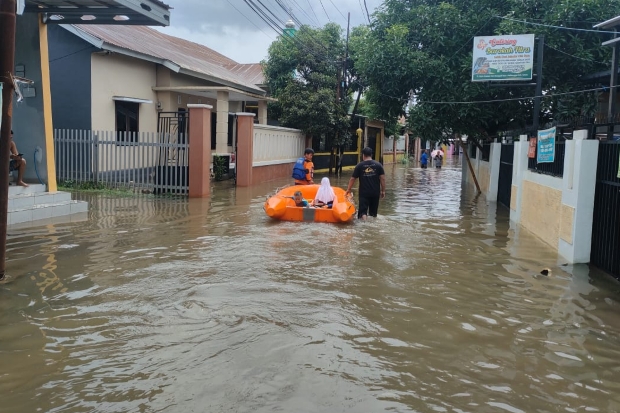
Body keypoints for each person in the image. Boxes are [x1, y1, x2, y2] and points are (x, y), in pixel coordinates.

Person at [345, 147, 385, 220]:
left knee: (363, 211)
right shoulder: (378, 165)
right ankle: (372, 228)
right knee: (373, 213)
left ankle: (364, 223)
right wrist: (383, 191)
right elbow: (382, 178)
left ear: (363, 155)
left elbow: (353, 178)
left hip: (364, 192)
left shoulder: (359, 166)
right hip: (375, 192)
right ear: (371, 155)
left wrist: (348, 189)